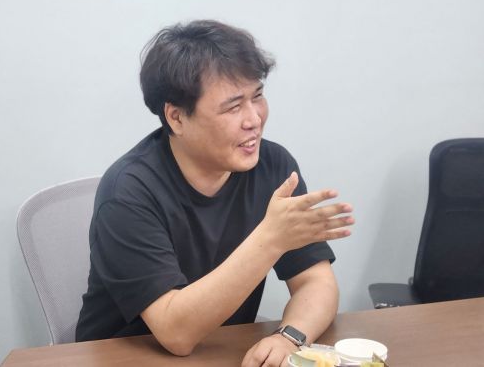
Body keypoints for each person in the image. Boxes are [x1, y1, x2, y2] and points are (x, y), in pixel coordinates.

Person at [76, 20, 354, 367]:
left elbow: (316, 281)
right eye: (233, 107)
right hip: (123, 358)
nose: (254, 119)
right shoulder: (128, 192)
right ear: (177, 118)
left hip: (221, 354)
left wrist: (289, 337)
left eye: (257, 96)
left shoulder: (273, 166)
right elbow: (176, 333)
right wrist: (271, 239)